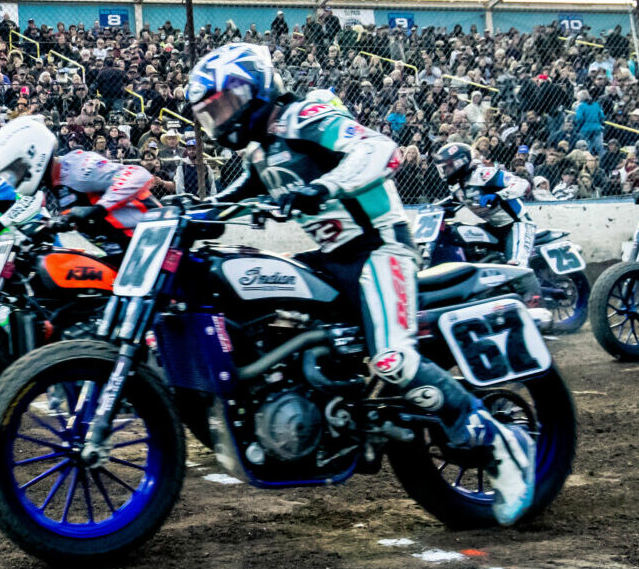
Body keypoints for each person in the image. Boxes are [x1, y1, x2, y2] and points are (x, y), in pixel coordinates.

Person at [183, 41, 537, 526]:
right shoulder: (262, 152)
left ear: (254, 89)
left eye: (224, 105)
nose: (220, 119)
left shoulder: (305, 116)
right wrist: (188, 212)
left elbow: (378, 148)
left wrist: (322, 188)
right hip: (331, 259)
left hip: (381, 250)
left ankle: (502, 442)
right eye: (211, 113)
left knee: (392, 359)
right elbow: (231, 199)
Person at [0, 115, 153, 243]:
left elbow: (137, 174)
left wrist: (99, 208)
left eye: (16, 170)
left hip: (147, 236)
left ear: (31, 154)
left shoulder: (79, 167)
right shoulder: (49, 185)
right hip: (115, 246)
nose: (16, 178)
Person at [431, 142, 535, 266]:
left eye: (447, 166)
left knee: (517, 265)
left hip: (517, 224)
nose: (444, 171)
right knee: (457, 233)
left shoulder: (484, 174)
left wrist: (499, 196)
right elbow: (452, 201)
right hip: (493, 227)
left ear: (459, 162)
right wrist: (434, 210)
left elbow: (523, 184)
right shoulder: (457, 186)